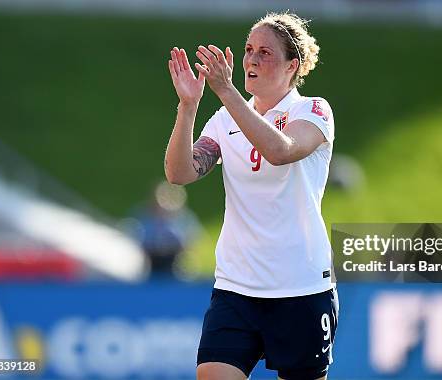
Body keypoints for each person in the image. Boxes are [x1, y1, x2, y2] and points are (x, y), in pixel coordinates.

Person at [164, 12, 338, 380]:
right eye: (248, 50)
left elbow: (282, 150)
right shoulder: (224, 120)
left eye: (264, 52)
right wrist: (188, 107)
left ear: (292, 66)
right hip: (236, 286)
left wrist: (227, 92)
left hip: (300, 285)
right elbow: (179, 174)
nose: (251, 60)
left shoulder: (312, 110)